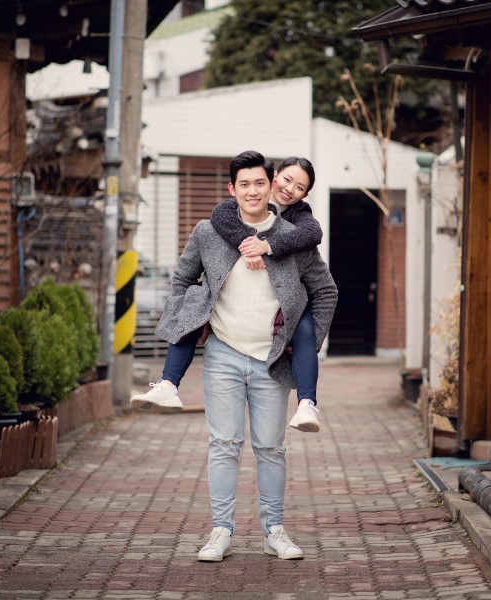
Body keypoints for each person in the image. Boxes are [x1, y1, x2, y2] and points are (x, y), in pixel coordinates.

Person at [150, 150, 338, 562]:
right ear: (232, 189)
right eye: (244, 184)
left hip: (271, 361)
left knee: (271, 448)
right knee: (223, 445)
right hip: (223, 355)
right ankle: (220, 531)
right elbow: (182, 279)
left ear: (272, 185)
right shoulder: (209, 231)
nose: (253, 191)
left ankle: (275, 530)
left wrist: (305, 338)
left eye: (260, 183)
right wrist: (187, 317)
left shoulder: (293, 239)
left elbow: (326, 292)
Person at [130, 157, 325, 432]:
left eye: (300, 187)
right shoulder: (231, 209)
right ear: (275, 178)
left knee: (305, 326)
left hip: (285, 311)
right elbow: (220, 218)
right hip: (228, 331)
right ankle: (168, 384)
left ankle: (307, 403)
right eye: (287, 179)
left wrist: (267, 247)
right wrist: (248, 246)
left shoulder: (300, 220)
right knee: (195, 299)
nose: (290, 189)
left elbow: (312, 237)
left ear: (304, 194)